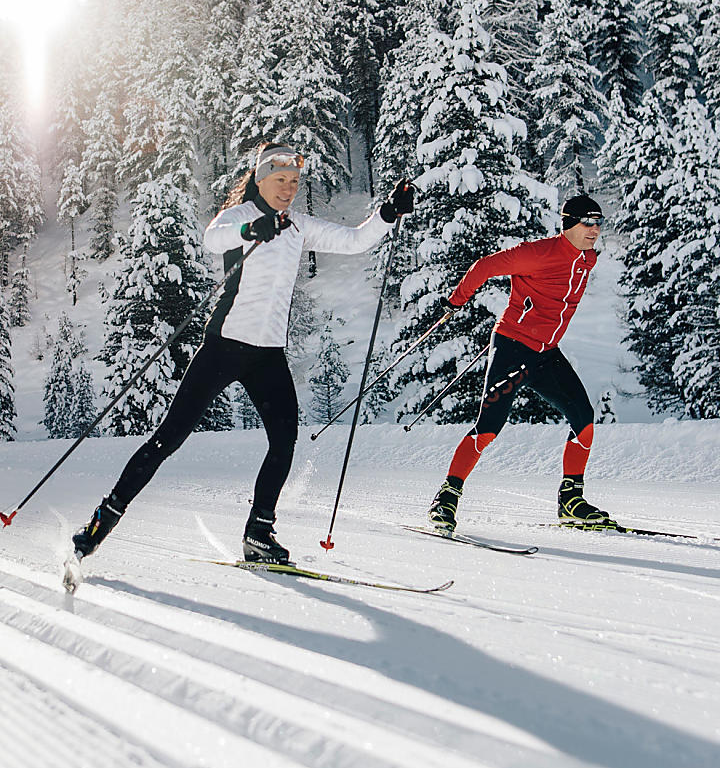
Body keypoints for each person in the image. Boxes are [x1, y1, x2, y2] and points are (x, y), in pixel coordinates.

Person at [72, 143, 414, 565]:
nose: (288, 189)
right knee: (168, 438)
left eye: (293, 182)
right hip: (224, 346)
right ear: (260, 178)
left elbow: (355, 240)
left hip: (267, 353)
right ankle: (103, 519)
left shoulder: (299, 226)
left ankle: (259, 532)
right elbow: (212, 237)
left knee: (284, 437)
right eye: (280, 180)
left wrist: (387, 213)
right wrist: (251, 231)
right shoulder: (239, 217)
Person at [426, 193, 614, 532]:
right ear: (569, 223)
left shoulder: (587, 259)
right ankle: (447, 497)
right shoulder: (538, 253)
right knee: (488, 427)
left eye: (599, 222)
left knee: (584, 420)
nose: (594, 229)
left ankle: (571, 502)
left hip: (546, 353)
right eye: (587, 222)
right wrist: (455, 302)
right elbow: (484, 267)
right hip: (514, 348)